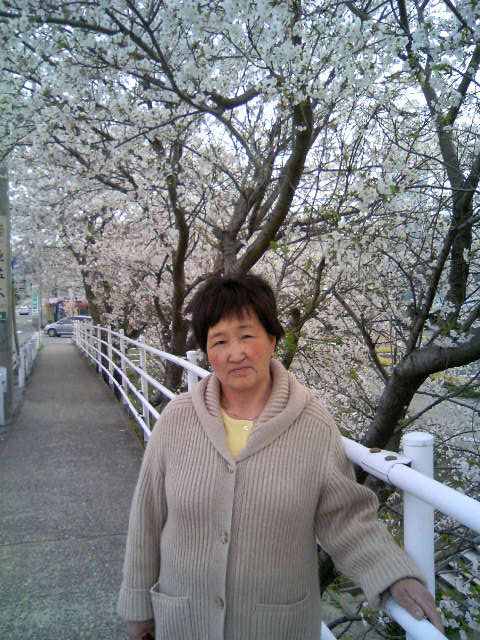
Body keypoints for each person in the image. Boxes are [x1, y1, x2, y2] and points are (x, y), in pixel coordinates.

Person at [118, 273, 444, 640]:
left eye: (247, 335)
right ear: (208, 352)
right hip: (183, 623)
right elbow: (146, 518)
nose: (235, 353)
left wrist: (391, 573)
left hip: (276, 626)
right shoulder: (178, 419)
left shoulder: (311, 423)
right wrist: (137, 607)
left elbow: (345, 518)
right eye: (220, 341)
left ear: (272, 339)